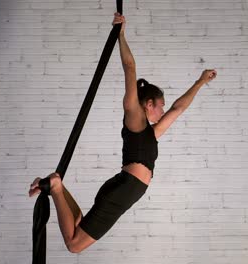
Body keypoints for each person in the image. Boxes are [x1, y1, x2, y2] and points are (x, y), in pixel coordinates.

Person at [28, 12, 217, 253]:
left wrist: (200, 82)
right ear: (148, 104)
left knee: (77, 225)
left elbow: (178, 108)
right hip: (124, 189)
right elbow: (130, 67)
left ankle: (58, 184)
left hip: (123, 190)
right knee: (74, 244)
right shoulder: (134, 118)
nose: (162, 110)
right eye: (159, 105)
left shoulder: (150, 132)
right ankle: (56, 187)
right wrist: (121, 34)